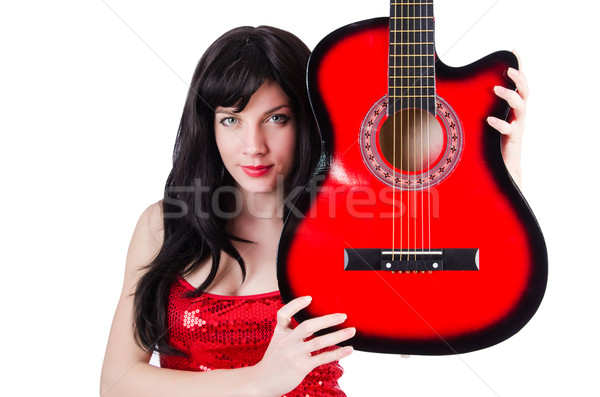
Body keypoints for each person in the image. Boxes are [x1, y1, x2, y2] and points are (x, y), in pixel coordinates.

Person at [100, 25, 529, 397]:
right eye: (231, 119)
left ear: (310, 119)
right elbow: (117, 383)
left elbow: (433, 321)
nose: (254, 145)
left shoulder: (346, 226)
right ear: (207, 126)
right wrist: (257, 383)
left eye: (277, 119)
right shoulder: (163, 224)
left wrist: (497, 177)